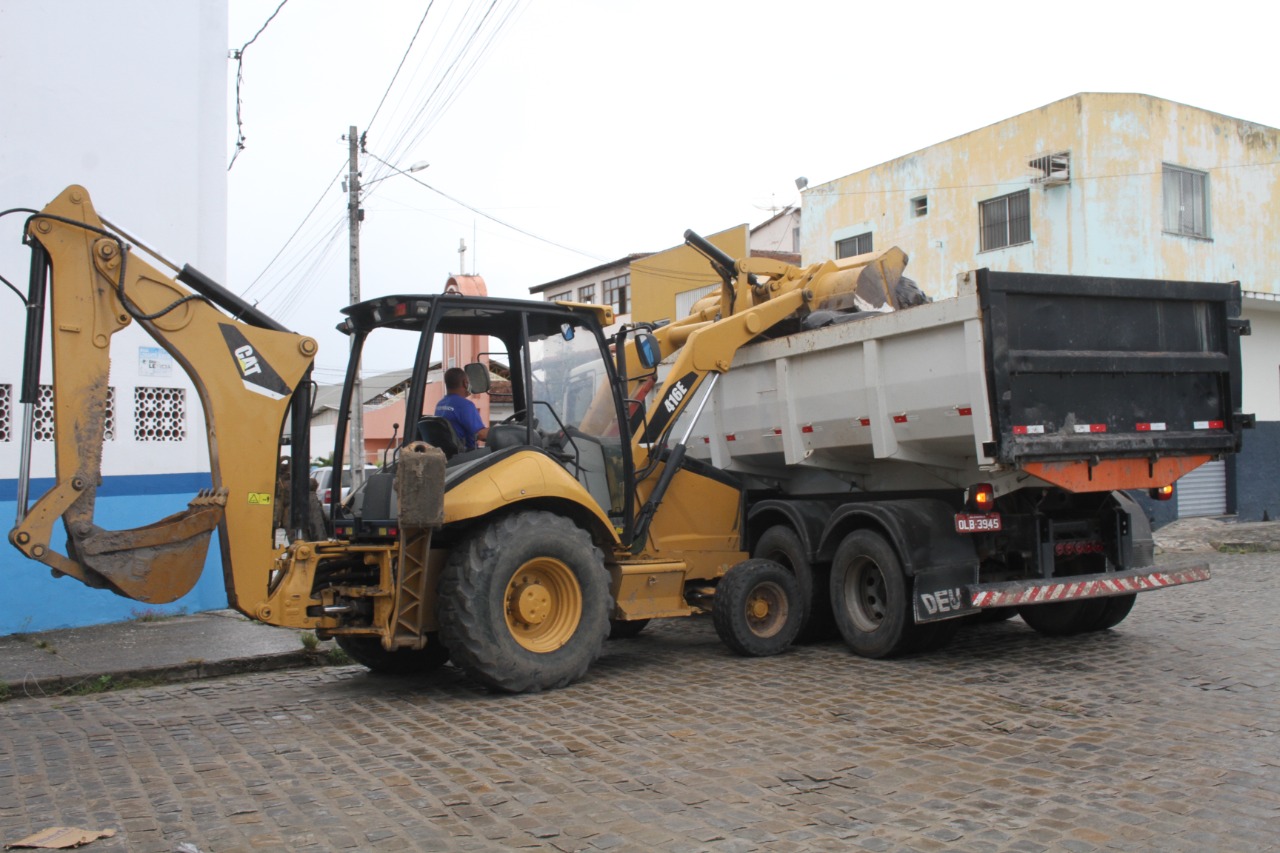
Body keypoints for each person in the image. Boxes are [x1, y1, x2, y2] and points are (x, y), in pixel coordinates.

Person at [435, 367, 489, 451]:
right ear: (465, 383)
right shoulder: (465, 405)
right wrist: (499, 430)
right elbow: (481, 435)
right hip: (467, 455)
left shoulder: (440, 404)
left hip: (448, 455)